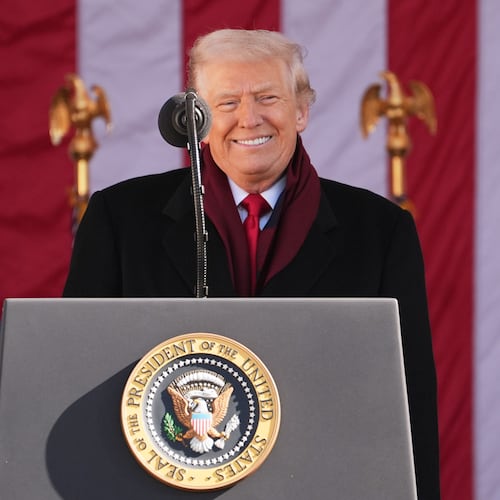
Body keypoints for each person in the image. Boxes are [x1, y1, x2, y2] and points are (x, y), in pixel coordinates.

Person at [63, 29, 440, 499]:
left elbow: (411, 401)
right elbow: (77, 378)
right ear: (195, 118)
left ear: (301, 110)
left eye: (268, 97)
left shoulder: (381, 232)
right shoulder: (120, 220)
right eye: (226, 103)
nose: (249, 118)